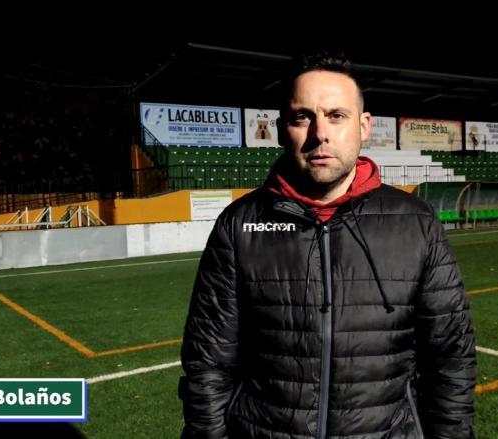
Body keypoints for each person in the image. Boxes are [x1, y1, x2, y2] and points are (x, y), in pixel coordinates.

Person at [179, 51, 476, 438]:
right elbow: (208, 364)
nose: (321, 133)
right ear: (284, 128)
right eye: (303, 117)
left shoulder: (417, 223)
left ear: (364, 126)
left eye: (337, 115)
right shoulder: (240, 225)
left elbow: (450, 360)